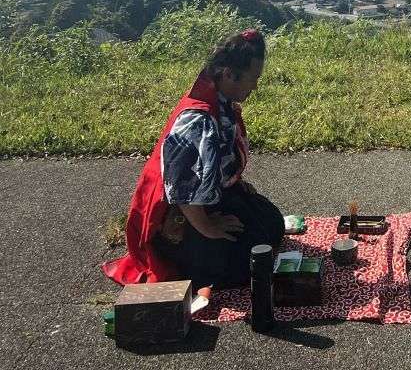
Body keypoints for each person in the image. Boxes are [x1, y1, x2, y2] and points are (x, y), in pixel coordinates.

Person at [103, 29, 284, 288]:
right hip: (178, 214)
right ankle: (181, 255)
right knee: (247, 263)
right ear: (229, 74)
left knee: (272, 225)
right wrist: (208, 226)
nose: (255, 86)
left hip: (211, 197)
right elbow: (180, 188)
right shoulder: (196, 120)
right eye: (252, 78)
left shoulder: (220, 100)